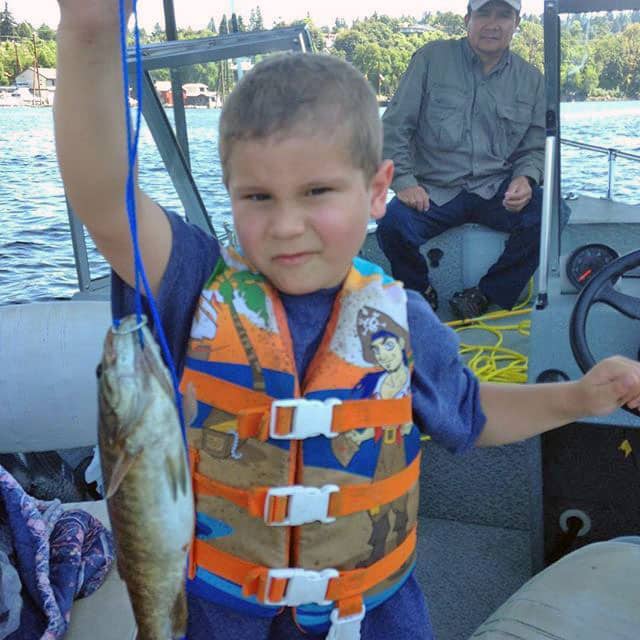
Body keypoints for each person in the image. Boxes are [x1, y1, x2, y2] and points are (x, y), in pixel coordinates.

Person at [54, 3, 640, 639]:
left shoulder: (404, 320)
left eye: (317, 192)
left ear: (378, 191)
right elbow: (105, 196)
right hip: (219, 618)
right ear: (229, 193)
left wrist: (580, 396)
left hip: (370, 619)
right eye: (257, 197)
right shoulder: (195, 283)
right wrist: (88, 29)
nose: (285, 225)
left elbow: (472, 414)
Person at [377, 0, 548, 319]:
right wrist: (403, 181)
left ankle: (485, 294)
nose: (493, 23)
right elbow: (396, 126)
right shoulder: (430, 59)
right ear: (467, 18)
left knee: (550, 214)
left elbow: (533, 146)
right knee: (391, 224)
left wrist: (525, 178)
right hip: (434, 192)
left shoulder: (532, 79)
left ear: (517, 22)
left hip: (495, 191)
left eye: (504, 15)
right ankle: (418, 292)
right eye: (483, 13)